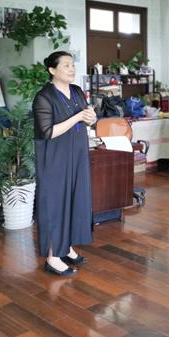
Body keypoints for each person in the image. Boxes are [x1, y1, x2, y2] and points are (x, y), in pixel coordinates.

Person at [33, 51, 96, 276]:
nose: (72, 69)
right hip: (54, 158)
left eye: (72, 65)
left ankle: (66, 247)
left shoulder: (77, 91)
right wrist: (78, 117)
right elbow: (48, 132)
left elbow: (87, 118)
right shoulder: (44, 97)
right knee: (55, 204)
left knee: (75, 199)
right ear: (52, 70)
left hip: (77, 155)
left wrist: (91, 118)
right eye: (66, 65)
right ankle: (53, 257)